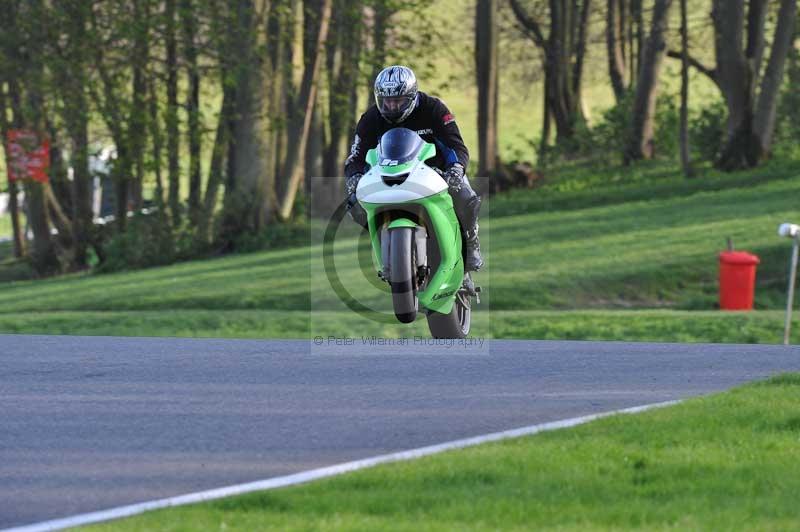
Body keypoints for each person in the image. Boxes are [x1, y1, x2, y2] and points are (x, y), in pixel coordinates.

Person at [343, 65, 484, 271]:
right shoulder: (370, 119)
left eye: (397, 101)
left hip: (437, 173)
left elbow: (456, 145)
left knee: (465, 196)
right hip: (389, 175)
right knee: (354, 204)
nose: (391, 106)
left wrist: (456, 168)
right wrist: (354, 176)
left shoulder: (434, 108)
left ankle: (471, 241)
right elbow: (355, 156)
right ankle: (386, 243)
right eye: (386, 101)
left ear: (412, 96)